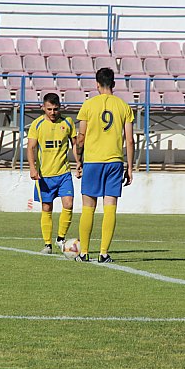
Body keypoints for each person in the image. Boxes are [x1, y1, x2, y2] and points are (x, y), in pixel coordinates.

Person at [75, 67, 134, 263]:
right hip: (114, 161)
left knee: (88, 207)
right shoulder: (123, 106)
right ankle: (103, 253)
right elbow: (130, 140)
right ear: (114, 84)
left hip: (92, 161)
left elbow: (81, 138)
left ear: (97, 84)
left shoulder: (88, 105)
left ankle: (83, 253)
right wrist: (130, 168)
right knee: (110, 207)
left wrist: (78, 161)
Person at [27, 93, 80, 254]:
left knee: (69, 204)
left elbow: (75, 144)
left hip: (64, 173)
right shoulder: (37, 125)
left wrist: (79, 162)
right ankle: (47, 244)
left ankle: (60, 238)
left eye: (55, 109)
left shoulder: (67, 122)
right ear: (43, 107)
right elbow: (31, 148)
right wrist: (32, 168)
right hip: (44, 175)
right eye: (49, 109)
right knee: (46, 207)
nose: (52, 112)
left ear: (60, 108)